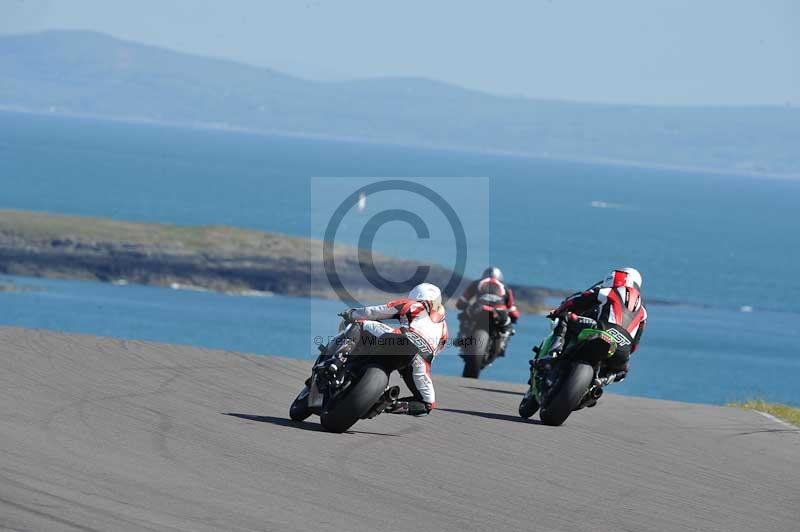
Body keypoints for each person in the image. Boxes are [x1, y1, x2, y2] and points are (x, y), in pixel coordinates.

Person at [339, 282, 448, 416]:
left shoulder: (413, 305)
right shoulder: (444, 328)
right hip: (420, 361)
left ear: (416, 295)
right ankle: (387, 403)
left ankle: (340, 358)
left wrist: (350, 313)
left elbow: (374, 312)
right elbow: (438, 350)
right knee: (427, 404)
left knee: (359, 324)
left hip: (400, 340)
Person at [543, 267, 647, 382]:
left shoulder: (608, 291)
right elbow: (635, 344)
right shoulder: (643, 311)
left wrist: (559, 311)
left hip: (600, 330)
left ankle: (553, 353)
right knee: (622, 371)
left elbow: (576, 301)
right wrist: (626, 354)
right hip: (623, 349)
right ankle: (601, 381)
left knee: (566, 318)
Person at [455, 266, 520, 344]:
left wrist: (462, 305)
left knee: (464, 316)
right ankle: (503, 340)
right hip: (499, 310)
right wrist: (515, 316)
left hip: (479, 307)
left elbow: (463, 299)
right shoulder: (504, 287)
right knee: (507, 327)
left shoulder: (477, 282)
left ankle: (462, 336)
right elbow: (511, 306)